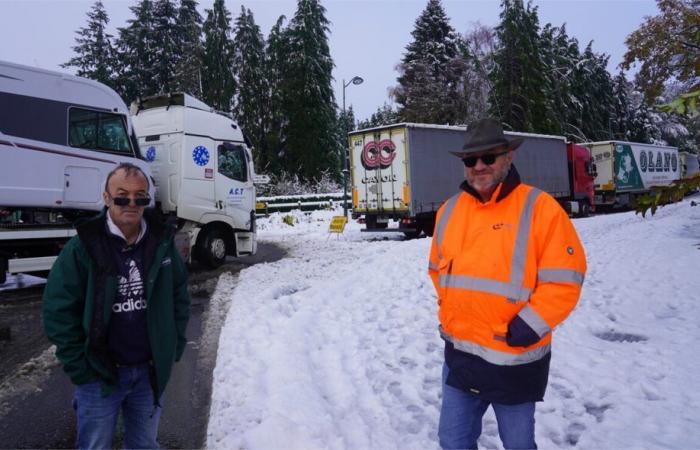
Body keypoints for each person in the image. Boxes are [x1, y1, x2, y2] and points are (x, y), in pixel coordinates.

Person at [428, 118, 587, 449]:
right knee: (452, 442)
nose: (479, 166)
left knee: (518, 444)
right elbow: (436, 270)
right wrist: (453, 314)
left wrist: (531, 324)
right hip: (461, 356)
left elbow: (565, 279)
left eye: (489, 157)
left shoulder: (540, 208)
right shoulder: (448, 211)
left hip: (512, 358)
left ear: (508, 157)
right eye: (471, 160)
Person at [43, 162, 190, 450]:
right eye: (122, 196)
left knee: (145, 445)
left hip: (148, 374)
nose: (131, 203)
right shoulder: (85, 246)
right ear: (107, 198)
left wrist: (173, 346)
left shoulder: (161, 243)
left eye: (140, 197)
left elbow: (179, 297)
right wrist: (80, 367)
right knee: (94, 445)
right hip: (99, 375)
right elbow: (57, 310)